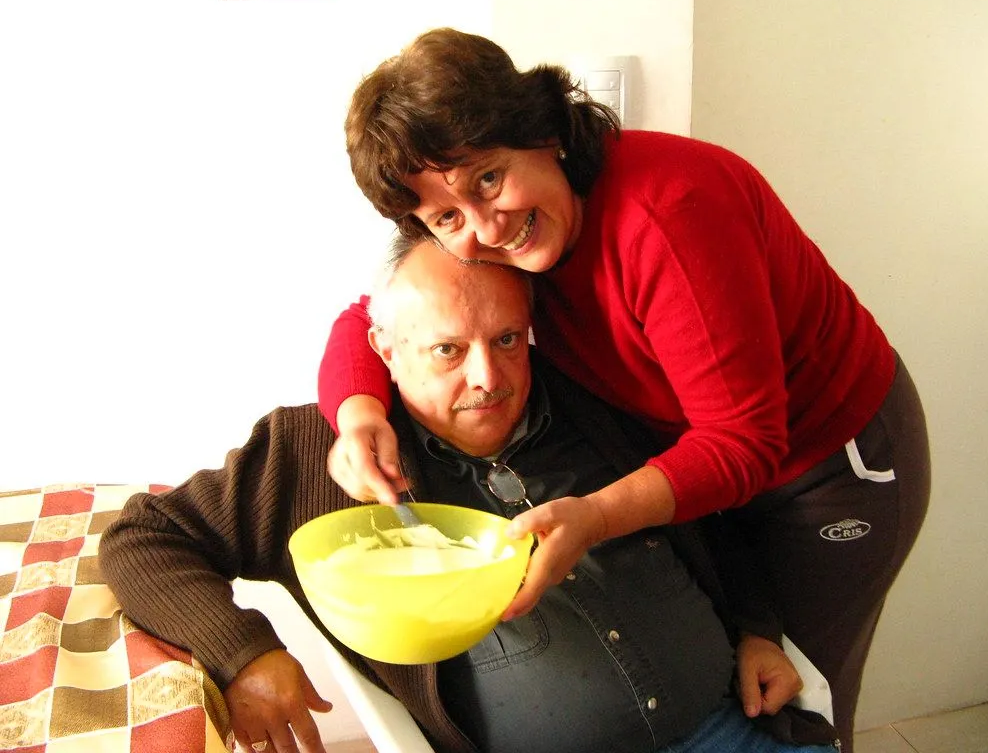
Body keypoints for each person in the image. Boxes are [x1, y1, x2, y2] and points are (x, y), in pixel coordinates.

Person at [315, 28, 931, 752]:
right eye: (446, 216)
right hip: (715, 457)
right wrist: (356, 414)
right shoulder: (501, 240)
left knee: (796, 691)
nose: (485, 227)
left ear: (542, 132)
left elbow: (743, 442)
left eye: (488, 179)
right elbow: (369, 317)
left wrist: (597, 517)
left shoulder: (669, 216)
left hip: (831, 467)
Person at [100, 241, 838, 753]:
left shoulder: (589, 399)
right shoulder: (317, 452)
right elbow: (142, 537)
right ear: (384, 349)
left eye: (508, 340)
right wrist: (246, 653)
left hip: (732, 728)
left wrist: (757, 627)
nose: (488, 377)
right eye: (448, 350)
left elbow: (707, 504)